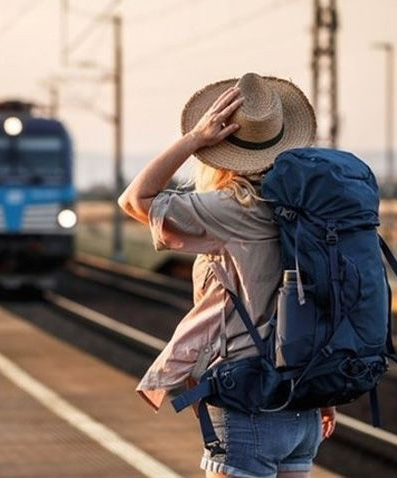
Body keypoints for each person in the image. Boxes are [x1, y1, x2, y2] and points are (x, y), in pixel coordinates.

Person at [118, 73, 336, 478]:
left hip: (250, 403)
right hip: (305, 405)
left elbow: (135, 200)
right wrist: (325, 395)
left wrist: (193, 139)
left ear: (223, 148)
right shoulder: (311, 208)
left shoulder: (235, 208)